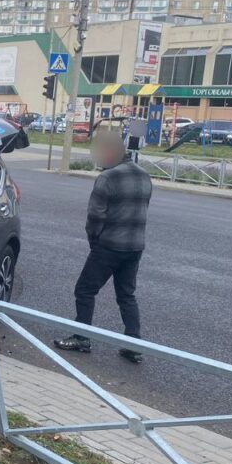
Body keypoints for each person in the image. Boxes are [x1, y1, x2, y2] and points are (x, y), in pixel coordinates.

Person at [55, 131, 152, 363]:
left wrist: (94, 241)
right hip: (135, 246)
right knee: (127, 295)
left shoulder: (108, 178)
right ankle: (133, 344)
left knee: (85, 290)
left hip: (109, 245)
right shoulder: (144, 176)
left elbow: (95, 216)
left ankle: (82, 337)